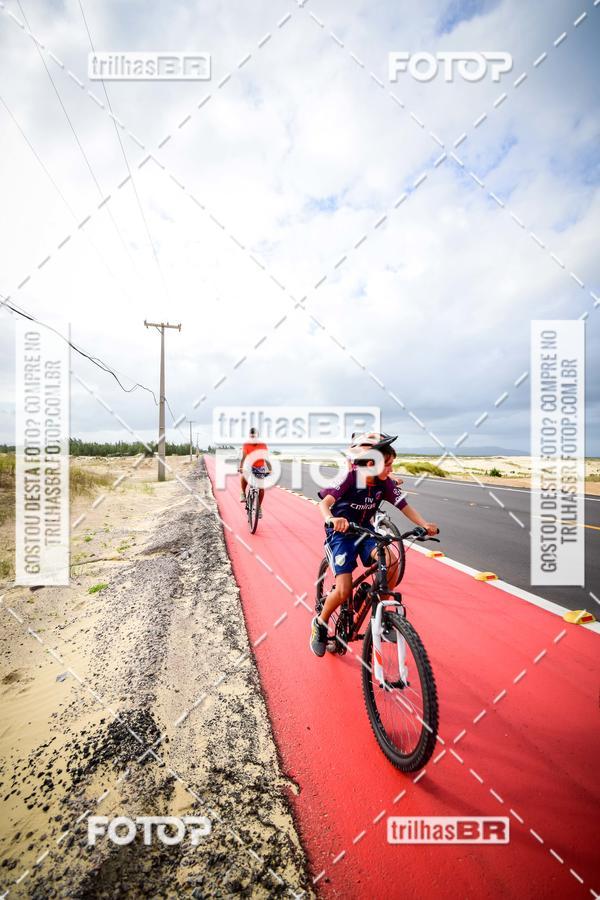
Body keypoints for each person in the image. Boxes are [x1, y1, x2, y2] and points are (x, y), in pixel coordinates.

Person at [309, 432, 438, 657]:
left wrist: (424, 524)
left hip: (365, 531)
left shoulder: (384, 483)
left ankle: (384, 616)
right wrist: (331, 518)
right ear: (371, 464)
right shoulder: (350, 478)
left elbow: (404, 506)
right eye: (387, 465)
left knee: (391, 561)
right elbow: (324, 504)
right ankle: (320, 623)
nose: (391, 470)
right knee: (343, 590)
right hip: (341, 535)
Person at [239, 427, 271, 517]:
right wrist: (241, 467)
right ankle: (243, 493)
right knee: (245, 473)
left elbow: (266, 458)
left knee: (261, 487)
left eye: (254, 437)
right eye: (251, 437)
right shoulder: (246, 444)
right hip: (249, 465)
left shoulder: (263, 445)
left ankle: (259, 507)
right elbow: (243, 458)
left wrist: (270, 469)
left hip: (259, 466)